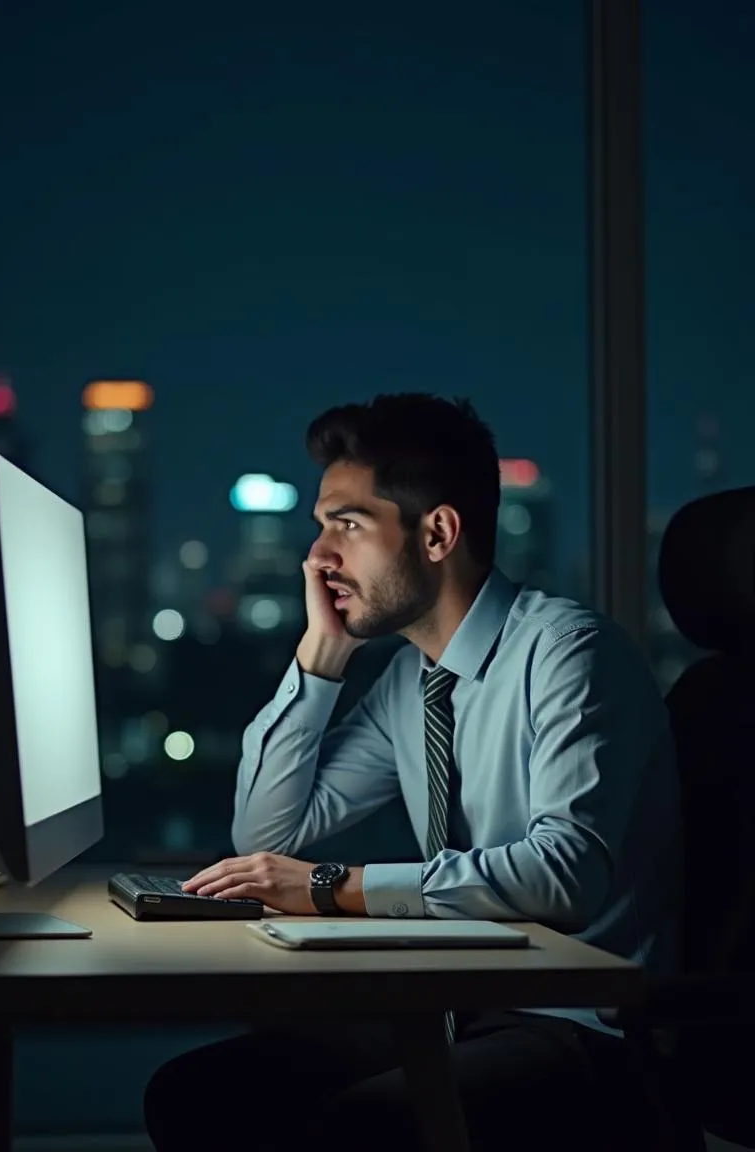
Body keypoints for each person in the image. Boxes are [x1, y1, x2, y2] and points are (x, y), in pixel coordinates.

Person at [144, 394, 682, 1152]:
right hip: (458, 1008)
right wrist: (320, 660)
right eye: (319, 527)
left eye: (348, 524)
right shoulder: (410, 681)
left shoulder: (567, 653)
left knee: (366, 1128)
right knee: (200, 1096)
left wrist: (331, 884)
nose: (318, 557)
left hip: (582, 1029)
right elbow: (266, 836)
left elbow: (566, 876)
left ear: (437, 532)